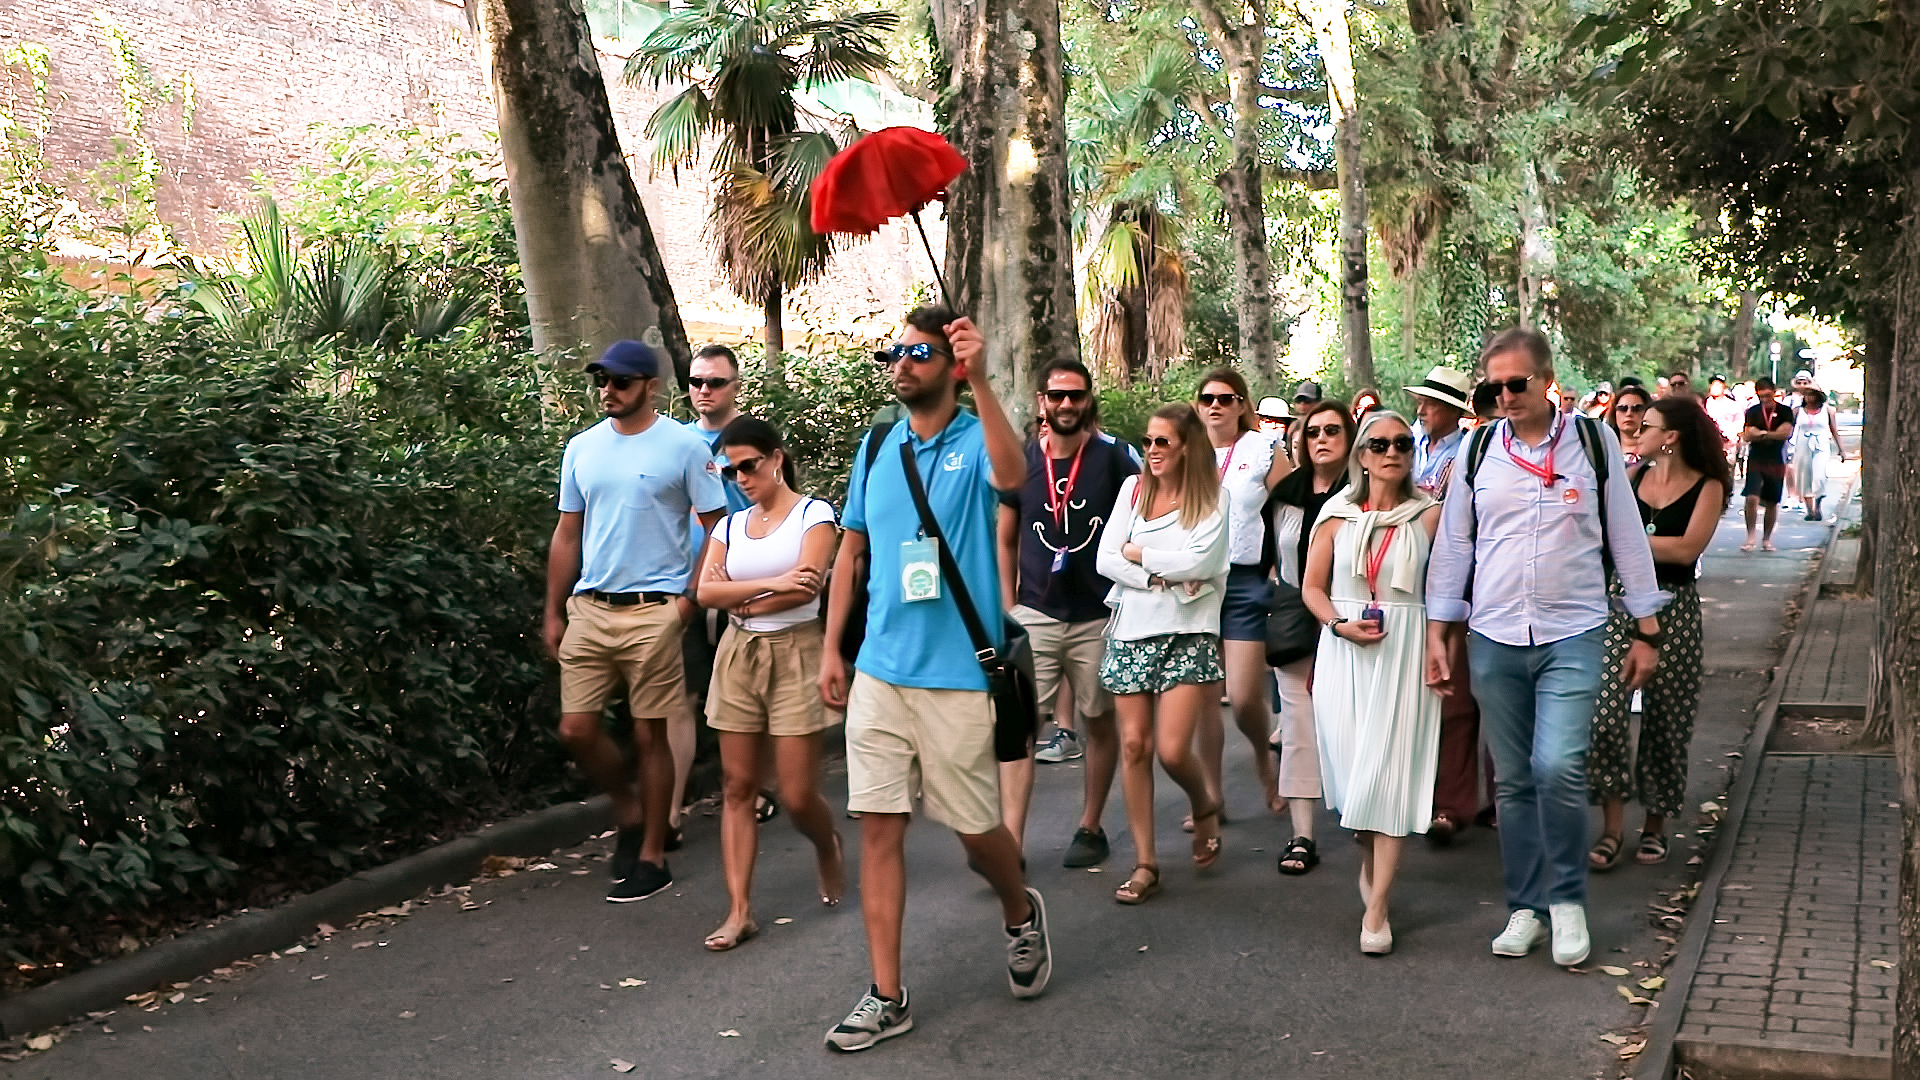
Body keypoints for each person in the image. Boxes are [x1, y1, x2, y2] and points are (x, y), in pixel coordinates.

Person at [817, 306, 1048, 1051]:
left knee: (977, 836)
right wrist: (833, 652)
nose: (902, 363)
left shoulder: (978, 438)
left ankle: (1018, 910)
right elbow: (852, 551)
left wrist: (982, 379)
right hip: (881, 671)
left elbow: (1016, 478)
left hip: (957, 676)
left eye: (919, 352)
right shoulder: (877, 443)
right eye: (896, 351)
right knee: (878, 829)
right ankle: (887, 994)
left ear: (949, 363)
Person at [1425, 328, 1666, 968]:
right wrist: (1439, 632)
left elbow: (1626, 535)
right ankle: (1524, 908)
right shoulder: (1477, 452)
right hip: (1495, 633)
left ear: (1546, 379)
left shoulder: (1593, 441)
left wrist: (1647, 628)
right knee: (1513, 782)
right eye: (1493, 386)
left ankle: (1565, 900)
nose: (1504, 396)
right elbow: (1454, 545)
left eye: (1517, 384)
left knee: (1557, 767)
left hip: (1575, 630)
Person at [545, 341, 726, 903]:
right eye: (602, 380)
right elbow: (567, 532)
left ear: (650, 385)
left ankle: (651, 851)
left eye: (621, 381)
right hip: (591, 607)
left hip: (656, 609)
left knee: (651, 733)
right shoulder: (583, 448)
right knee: (576, 728)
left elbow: (717, 525)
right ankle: (628, 809)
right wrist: (552, 609)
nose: (608, 390)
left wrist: (689, 601)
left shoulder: (683, 447)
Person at [693, 417, 846, 949]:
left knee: (799, 793)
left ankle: (827, 845)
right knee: (737, 787)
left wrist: (740, 590)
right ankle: (739, 911)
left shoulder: (814, 514)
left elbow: (804, 592)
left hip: (796, 651)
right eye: (731, 470)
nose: (741, 478)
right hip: (738, 653)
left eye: (749, 466)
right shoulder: (728, 528)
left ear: (776, 458)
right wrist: (771, 582)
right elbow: (704, 595)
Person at [1301, 411, 1443, 954]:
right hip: (1344, 649)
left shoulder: (1430, 515)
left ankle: (1377, 911)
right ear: (1361, 455)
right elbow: (1313, 588)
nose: (1392, 452)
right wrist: (1338, 624)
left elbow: (1447, 588)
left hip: (1405, 646)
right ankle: (1371, 863)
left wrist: (1438, 646)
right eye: (1380, 444)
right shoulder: (1335, 515)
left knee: (1389, 779)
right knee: (1353, 785)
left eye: (1403, 443)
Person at [997, 359, 1139, 866]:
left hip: (1098, 613)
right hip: (1034, 611)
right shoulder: (1020, 462)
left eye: (1075, 395)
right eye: (1056, 396)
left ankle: (1090, 824)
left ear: (1087, 400)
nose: (1065, 405)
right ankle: (1010, 842)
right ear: (1042, 401)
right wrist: (1007, 606)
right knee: (1021, 726)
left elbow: (1141, 520)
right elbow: (1006, 535)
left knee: (1099, 719)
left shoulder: (1114, 460)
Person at [1588, 398, 1729, 872]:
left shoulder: (1709, 486)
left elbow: (1688, 548)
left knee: (1667, 721)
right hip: (1619, 603)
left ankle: (1654, 825)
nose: (1635, 430)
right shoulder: (1628, 479)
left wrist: (1625, 540)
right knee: (1605, 715)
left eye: (1647, 425)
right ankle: (1611, 827)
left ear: (1671, 437)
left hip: (1676, 608)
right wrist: (1626, 543)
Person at [1097, 403, 1230, 904]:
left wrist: (1137, 554)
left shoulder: (1215, 497)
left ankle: (1204, 803)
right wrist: (1156, 574)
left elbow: (1205, 559)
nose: (1151, 451)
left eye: (1162, 442)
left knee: (1173, 750)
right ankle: (1145, 861)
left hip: (1189, 631)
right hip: (1131, 629)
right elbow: (1104, 557)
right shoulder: (1133, 491)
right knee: (1134, 746)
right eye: (1148, 441)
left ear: (1186, 446)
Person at [1196, 369, 1292, 822]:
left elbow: (1291, 506)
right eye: (1208, 398)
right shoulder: (1184, 450)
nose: (1216, 406)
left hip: (1245, 580)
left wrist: (1281, 565)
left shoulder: (1262, 449)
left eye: (1226, 398)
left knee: (1242, 695)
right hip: (1193, 583)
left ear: (1241, 405)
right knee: (1201, 697)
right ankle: (1211, 798)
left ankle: (1261, 756)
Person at [1264, 400, 1355, 875]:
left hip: (1352, 618)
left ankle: (1365, 816)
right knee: (1298, 723)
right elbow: (1271, 552)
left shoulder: (1363, 494)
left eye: (1332, 431)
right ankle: (1302, 835)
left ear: (1349, 438)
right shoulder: (1286, 492)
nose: (1321, 439)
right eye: (1313, 431)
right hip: (1296, 617)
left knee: (1351, 721)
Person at [678, 343, 757, 842]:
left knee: (746, 697)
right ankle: (672, 807)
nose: (703, 391)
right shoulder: (675, 442)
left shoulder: (753, 442)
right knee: (683, 696)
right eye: (696, 382)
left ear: (735, 387)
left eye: (715, 383)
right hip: (684, 587)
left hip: (739, 588)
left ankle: (752, 787)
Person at [1404, 366, 1481, 842]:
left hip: (1451, 578)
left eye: (1431, 404)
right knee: (1406, 695)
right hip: (1403, 578)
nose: (1422, 410)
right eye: (1422, 402)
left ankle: (1452, 804)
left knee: (1453, 693)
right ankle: (1410, 795)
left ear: (1454, 410)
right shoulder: (1407, 444)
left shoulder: (1470, 452)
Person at [1739, 377, 1794, 551]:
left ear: (1774, 392)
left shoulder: (1785, 411)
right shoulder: (1753, 411)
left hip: (1776, 458)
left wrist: (1761, 434)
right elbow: (1747, 435)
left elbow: (1785, 433)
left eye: (1768, 396)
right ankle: (1750, 537)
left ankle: (1767, 539)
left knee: (1772, 501)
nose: (1765, 400)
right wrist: (1771, 433)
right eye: (1761, 396)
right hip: (1756, 458)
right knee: (1751, 498)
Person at [1792, 387, 1845, 521]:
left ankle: (1818, 505)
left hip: (1820, 445)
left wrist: (1841, 449)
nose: (1808, 398)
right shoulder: (1798, 411)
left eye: (1811, 395)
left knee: (1819, 476)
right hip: (1802, 445)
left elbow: (1834, 430)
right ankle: (1810, 510)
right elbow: (1789, 429)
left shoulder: (1827, 411)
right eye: (1806, 395)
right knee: (1804, 477)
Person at [1608, 384, 1654, 468]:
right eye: (1622, 408)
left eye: (1637, 408)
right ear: (1614, 413)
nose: (1629, 413)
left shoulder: (1656, 455)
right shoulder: (1604, 453)